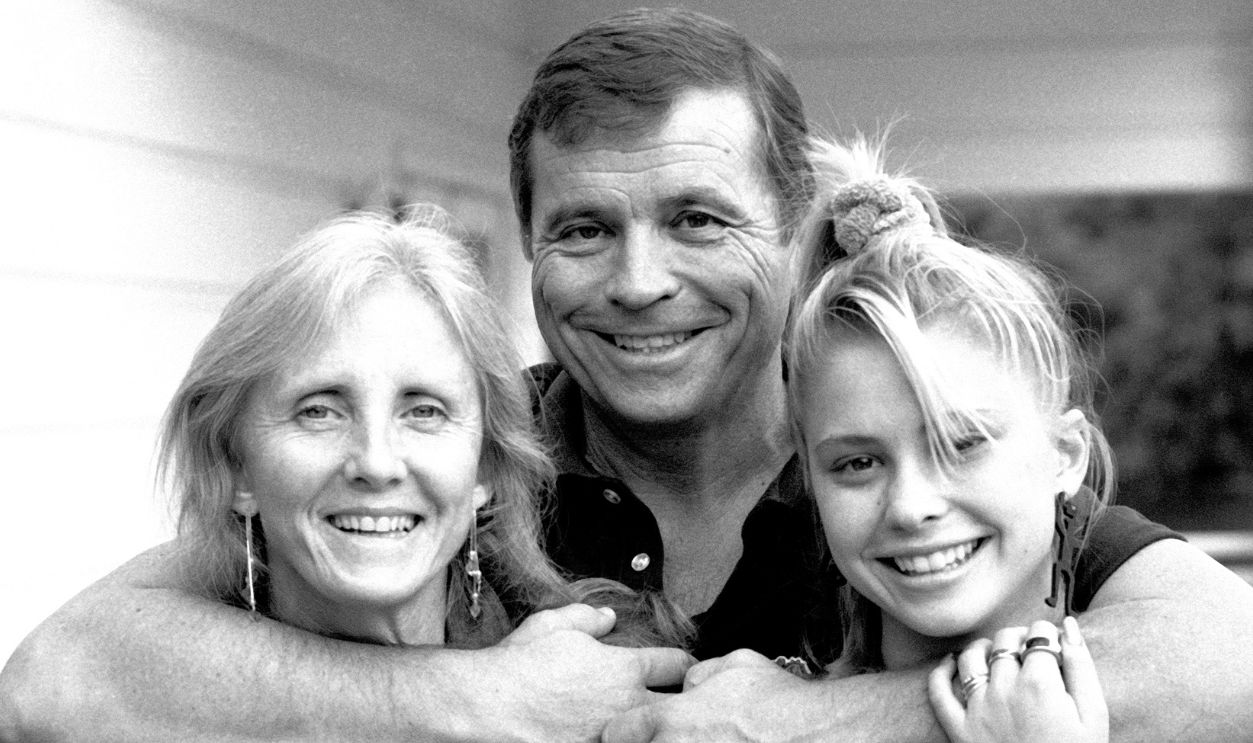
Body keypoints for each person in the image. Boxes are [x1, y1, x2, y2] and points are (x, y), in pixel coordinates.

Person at [4, 8, 1253, 743]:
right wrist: (472, 700)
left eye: (698, 219)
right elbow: (65, 673)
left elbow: (1222, 662)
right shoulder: (461, 463)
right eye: (583, 229)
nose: (637, 281)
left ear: (794, 216)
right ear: (530, 245)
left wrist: (800, 725)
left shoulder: (903, 459)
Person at [151, 206, 683, 650]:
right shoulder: (133, 703)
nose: (377, 464)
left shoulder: (609, 672)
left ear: (485, 467)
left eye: (423, 411)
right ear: (235, 466)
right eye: (319, 410)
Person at [786, 134, 1116, 740]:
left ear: (1066, 456)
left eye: (960, 444)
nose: (911, 507)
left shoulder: (1196, 699)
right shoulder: (753, 716)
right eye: (857, 463)